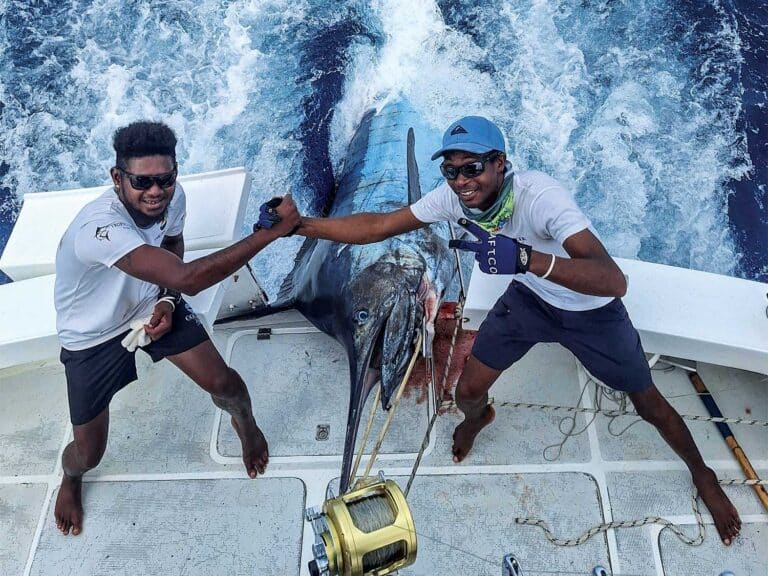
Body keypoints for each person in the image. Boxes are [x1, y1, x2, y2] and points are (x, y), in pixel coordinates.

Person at [296, 115, 741, 545]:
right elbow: (380, 225)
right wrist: (301, 226)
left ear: (500, 164)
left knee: (649, 404)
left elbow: (612, 280)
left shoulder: (541, 197)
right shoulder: (454, 198)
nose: (461, 181)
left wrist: (527, 259)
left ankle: (702, 473)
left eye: (472, 168)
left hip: (592, 312)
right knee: (468, 391)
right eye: (451, 170)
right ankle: (479, 418)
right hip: (531, 301)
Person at [53, 120, 300, 535]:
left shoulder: (172, 197)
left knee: (225, 385)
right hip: (90, 336)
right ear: (117, 178)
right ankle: (71, 476)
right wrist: (269, 234)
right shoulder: (99, 229)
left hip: (149, 301)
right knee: (88, 452)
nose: (156, 191)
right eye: (142, 181)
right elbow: (189, 278)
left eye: (165, 179)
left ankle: (246, 425)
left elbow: (171, 246)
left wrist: (167, 299)